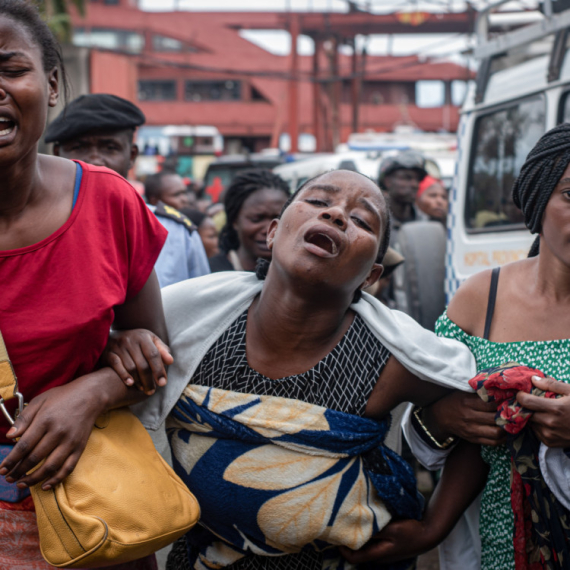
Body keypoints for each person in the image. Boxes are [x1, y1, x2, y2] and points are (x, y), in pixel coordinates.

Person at [105, 169, 481, 570]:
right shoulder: (186, 320)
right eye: (319, 202)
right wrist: (115, 349)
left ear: (371, 276)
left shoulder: (391, 358)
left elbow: (488, 418)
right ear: (272, 233)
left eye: (361, 221)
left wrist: (433, 528)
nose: (337, 215)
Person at [0, 3, 170, 569]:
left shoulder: (109, 201)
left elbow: (153, 352)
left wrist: (92, 390)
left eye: (9, 68)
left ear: (50, 86)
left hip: (92, 513)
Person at [386, 123, 570, 570]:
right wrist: (446, 417)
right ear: (537, 199)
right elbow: (454, 435)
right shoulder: (480, 299)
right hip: (502, 549)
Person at [47, 95, 210, 288]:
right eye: (79, 147)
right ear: (57, 154)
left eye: (110, 148)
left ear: (131, 155)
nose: (95, 160)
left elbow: (201, 314)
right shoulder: (34, 229)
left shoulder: (176, 235)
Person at [209, 169, 290, 272]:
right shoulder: (210, 275)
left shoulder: (298, 275)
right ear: (234, 220)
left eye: (279, 219)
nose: (269, 230)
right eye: (256, 219)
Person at [378, 150, 427, 245]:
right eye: (407, 178)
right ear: (387, 182)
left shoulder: (424, 221)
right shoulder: (376, 223)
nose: (415, 185)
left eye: (417, 179)